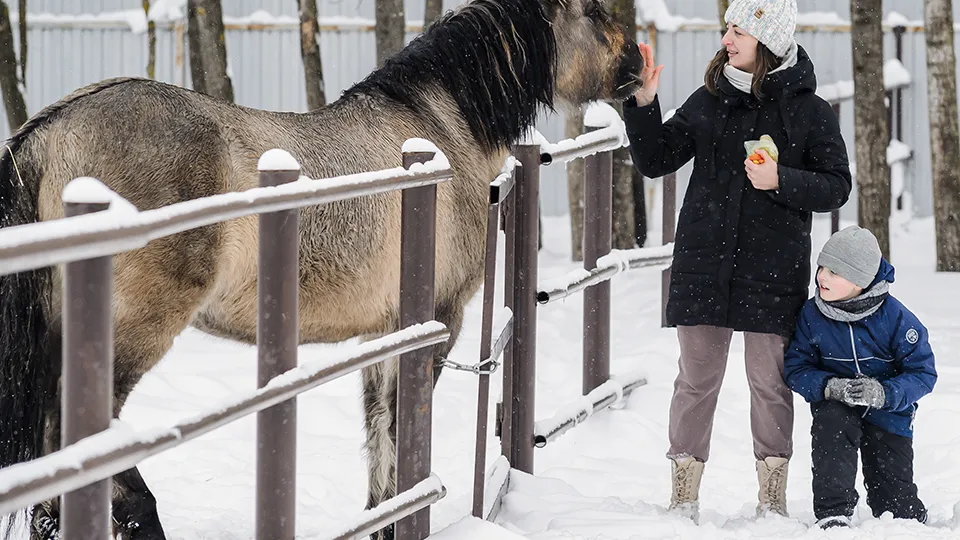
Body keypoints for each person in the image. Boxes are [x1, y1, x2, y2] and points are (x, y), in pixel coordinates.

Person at [622, 0, 852, 521]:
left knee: (770, 383)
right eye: (727, 28)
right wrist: (644, 102)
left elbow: (838, 185)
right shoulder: (709, 101)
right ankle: (683, 496)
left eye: (739, 30)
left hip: (774, 271)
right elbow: (656, 160)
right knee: (695, 381)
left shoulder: (810, 111)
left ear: (768, 40)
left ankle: (771, 500)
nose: (727, 38)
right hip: (705, 266)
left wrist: (782, 181)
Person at [783, 225, 936, 529]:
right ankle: (833, 512)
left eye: (835, 272)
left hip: (888, 413)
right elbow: (796, 368)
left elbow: (923, 373)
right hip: (837, 408)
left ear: (861, 281)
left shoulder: (896, 319)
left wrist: (885, 394)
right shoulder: (812, 315)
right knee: (831, 425)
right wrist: (829, 387)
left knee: (897, 510)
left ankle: (904, 510)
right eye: (822, 267)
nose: (822, 277)